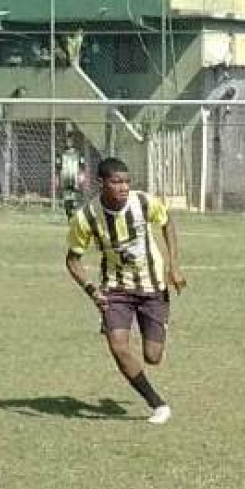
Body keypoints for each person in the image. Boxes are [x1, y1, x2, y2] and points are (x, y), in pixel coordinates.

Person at [64, 157, 188, 425]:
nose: (123, 187)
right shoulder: (86, 217)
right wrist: (91, 289)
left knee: (152, 357)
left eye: (127, 182)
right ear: (101, 183)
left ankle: (158, 327)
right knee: (118, 346)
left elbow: (167, 223)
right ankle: (158, 404)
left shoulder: (143, 202)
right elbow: (72, 259)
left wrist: (174, 266)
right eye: (116, 182)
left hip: (152, 285)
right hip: (115, 288)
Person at [56, 133, 86, 215]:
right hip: (65, 175)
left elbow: (82, 164)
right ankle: (68, 209)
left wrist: (82, 175)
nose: (69, 143)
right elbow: (58, 165)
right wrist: (58, 177)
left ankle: (75, 208)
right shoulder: (61, 153)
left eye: (71, 141)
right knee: (66, 193)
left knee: (75, 192)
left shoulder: (78, 152)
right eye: (68, 141)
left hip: (75, 175)